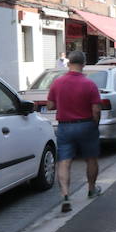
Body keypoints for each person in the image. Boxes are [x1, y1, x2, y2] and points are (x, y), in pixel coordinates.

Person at [46, 51, 102, 213]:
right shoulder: (89, 84)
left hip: (65, 126)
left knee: (64, 161)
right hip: (86, 125)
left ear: (69, 63)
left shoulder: (57, 82)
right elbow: (96, 110)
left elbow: (50, 106)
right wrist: (94, 125)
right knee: (91, 159)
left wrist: (63, 104)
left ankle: (65, 195)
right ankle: (91, 189)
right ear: (83, 64)